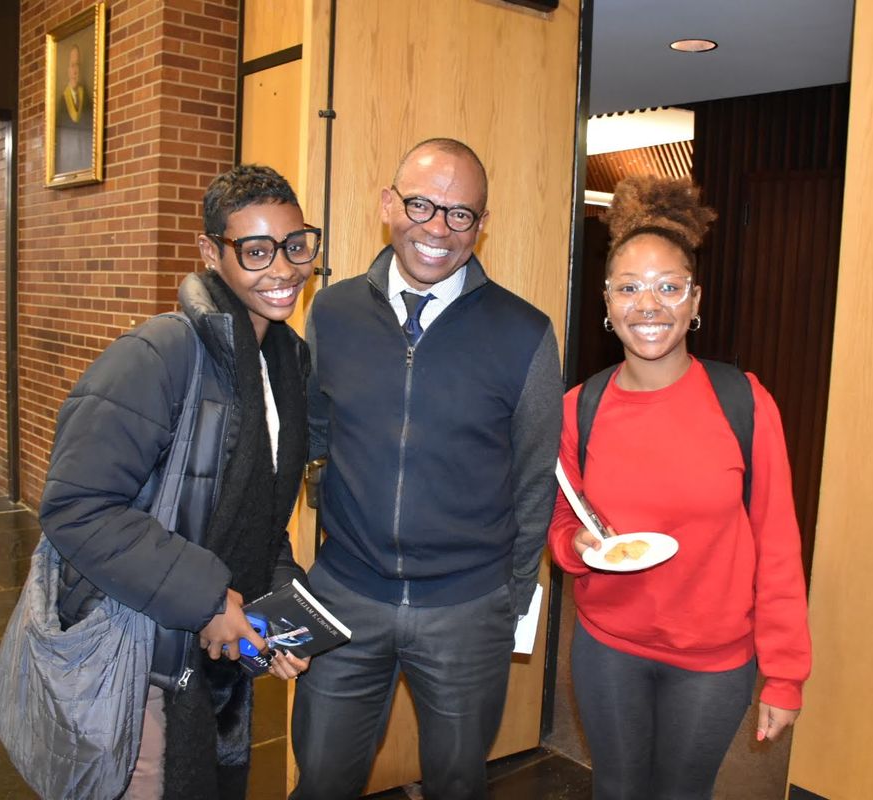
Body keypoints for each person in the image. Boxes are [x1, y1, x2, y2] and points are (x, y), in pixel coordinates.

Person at [290, 138, 564, 800]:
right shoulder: (332, 312)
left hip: (467, 609)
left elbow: (534, 479)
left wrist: (512, 593)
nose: (438, 228)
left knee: (458, 784)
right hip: (346, 593)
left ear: (481, 224)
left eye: (460, 213)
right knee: (321, 779)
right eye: (421, 204)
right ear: (389, 204)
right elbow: (311, 439)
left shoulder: (524, 332)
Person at [39, 164, 320, 799]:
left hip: (207, 650)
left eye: (296, 246)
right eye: (255, 251)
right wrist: (209, 599)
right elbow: (76, 506)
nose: (283, 269)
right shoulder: (159, 355)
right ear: (210, 254)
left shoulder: (286, 360)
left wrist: (277, 603)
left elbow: (261, 511)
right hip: (141, 650)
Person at [547, 175, 812, 800]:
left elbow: (778, 545)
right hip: (609, 645)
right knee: (616, 789)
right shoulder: (577, 409)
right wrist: (576, 547)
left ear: (696, 300)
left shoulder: (744, 401)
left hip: (715, 657)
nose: (649, 305)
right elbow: (560, 518)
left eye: (669, 288)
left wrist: (785, 675)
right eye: (629, 288)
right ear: (606, 303)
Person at [55, 42, 92, 174]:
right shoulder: (61, 103)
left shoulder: (87, 98)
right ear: (67, 70)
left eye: (77, 65)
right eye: (72, 65)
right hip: (69, 162)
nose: (75, 71)